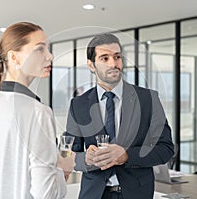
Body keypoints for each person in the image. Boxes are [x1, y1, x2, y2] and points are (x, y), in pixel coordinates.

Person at [0, 22, 75, 199]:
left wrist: (11, 182)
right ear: (14, 57)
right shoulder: (39, 112)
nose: (49, 56)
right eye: (40, 49)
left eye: (48, 49)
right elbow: (46, 194)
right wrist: (61, 169)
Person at [66, 33, 174, 199]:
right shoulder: (78, 105)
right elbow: (67, 153)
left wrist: (127, 155)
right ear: (91, 65)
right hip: (93, 194)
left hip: (136, 194)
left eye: (117, 57)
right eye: (104, 58)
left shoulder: (148, 99)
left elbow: (165, 148)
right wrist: (85, 159)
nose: (113, 64)